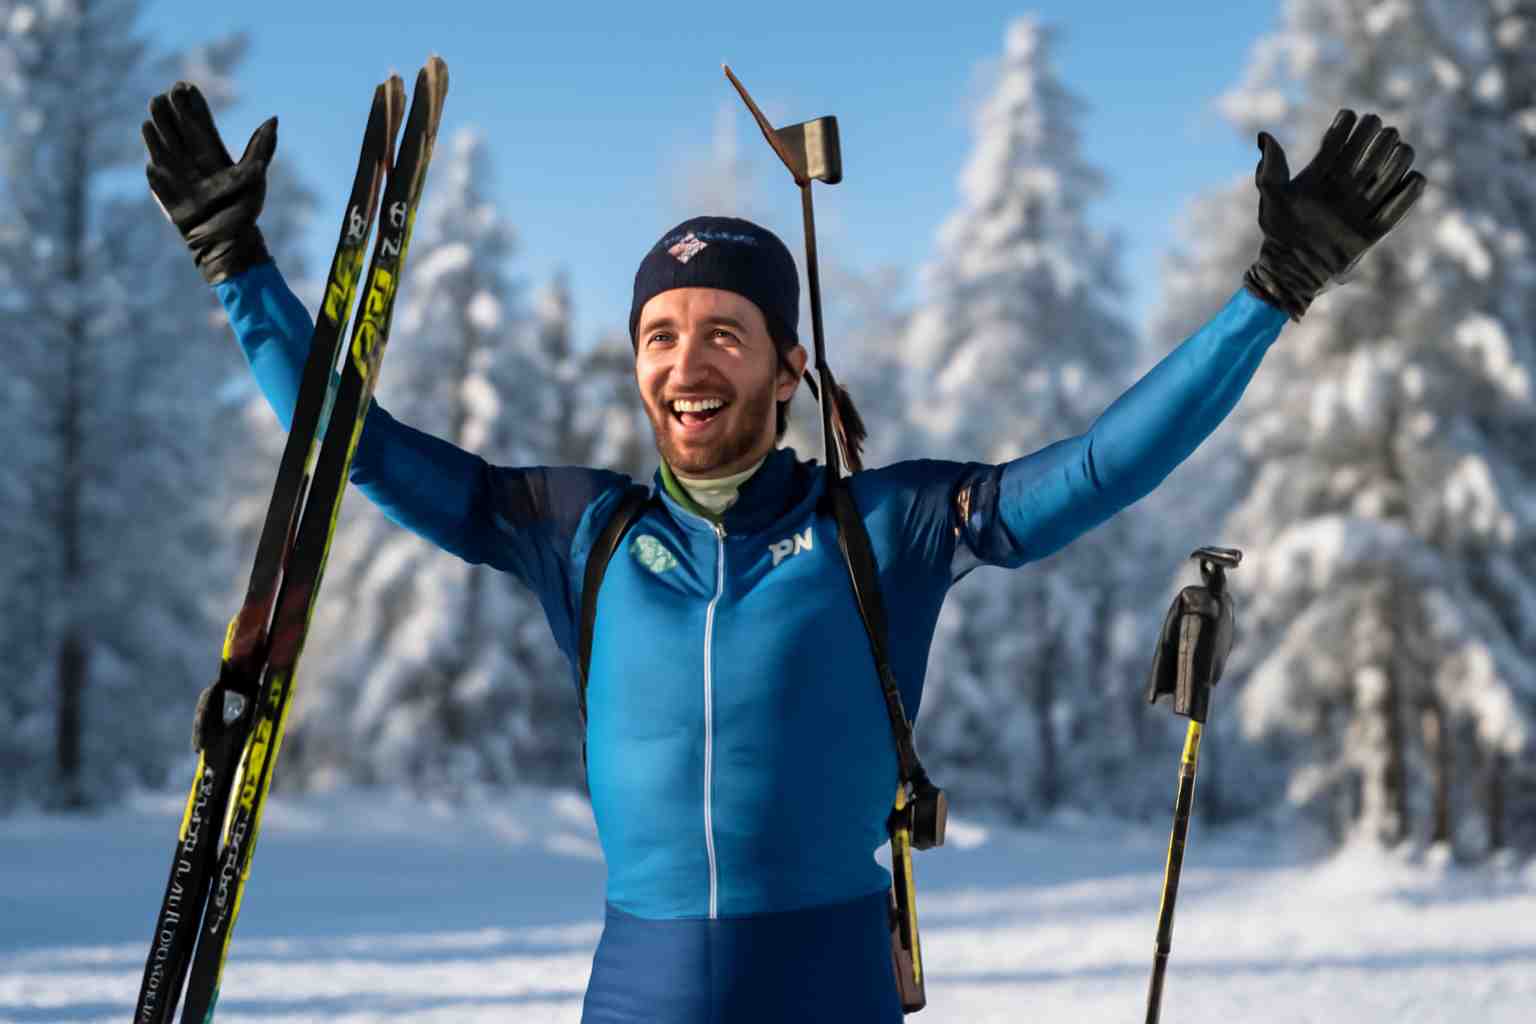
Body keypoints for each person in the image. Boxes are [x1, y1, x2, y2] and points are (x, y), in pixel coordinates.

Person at [142, 80, 1424, 1022]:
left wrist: (1273, 294)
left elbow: (1096, 467)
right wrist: (236, 267)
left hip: (830, 988)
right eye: (659, 332)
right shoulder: (577, 531)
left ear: (788, 366)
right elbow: (350, 445)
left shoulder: (888, 528)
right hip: (634, 989)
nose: (685, 362)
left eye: (723, 332)